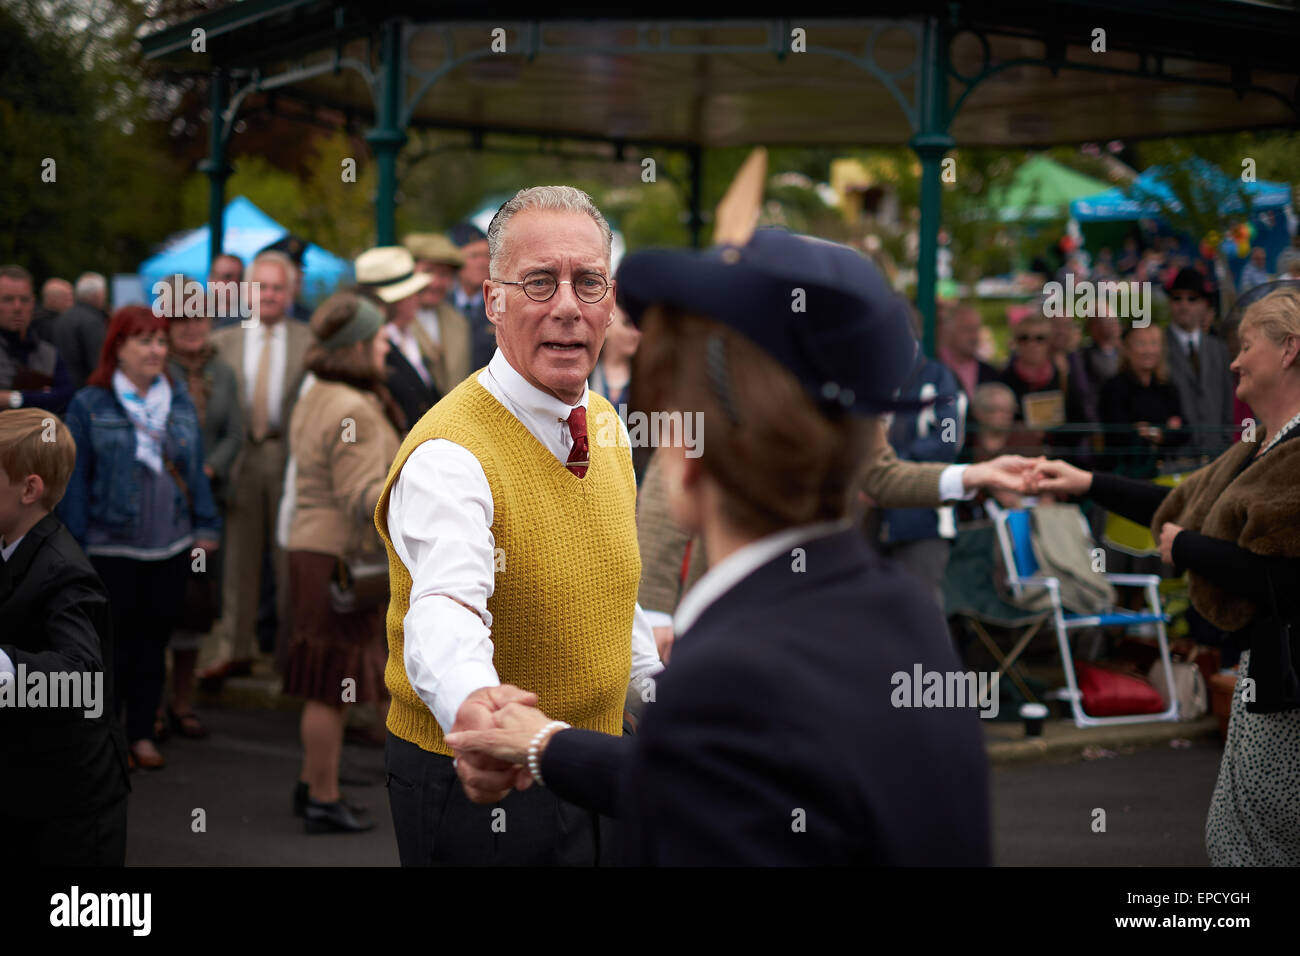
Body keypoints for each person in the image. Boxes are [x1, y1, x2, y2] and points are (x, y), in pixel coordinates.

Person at [444, 224, 992, 865]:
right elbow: (718, 782)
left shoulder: (730, 673)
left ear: (687, 460)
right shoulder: (903, 611)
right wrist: (547, 746)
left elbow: (708, 773)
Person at [374, 186, 664, 866]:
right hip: (486, 782)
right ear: (492, 301)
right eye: (539, 282)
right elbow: (444, 609)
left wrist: (667, 706)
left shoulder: (606, 421)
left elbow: (610, 599)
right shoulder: (451, 452)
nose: (568, 305)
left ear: (611, 301)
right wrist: (477, 713)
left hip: (594, 764)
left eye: (588, 282)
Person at [1031, 287, 1300, 866]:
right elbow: (1181, 505)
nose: (1233, 361)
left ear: (1288, 351)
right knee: (1238, 840)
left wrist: (1192, 548)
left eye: (1246, 346)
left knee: (1249, 845)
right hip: (1265, 668)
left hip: (1289, 678)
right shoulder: (1257, 445)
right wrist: (1086, 483)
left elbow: (1286, 578)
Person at [58, 306, 221, 770]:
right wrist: (75, 545)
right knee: (109, 648)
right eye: (143, 340)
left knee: (154, 644)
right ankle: (105, 736)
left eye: (160, 341)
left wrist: (205, 528)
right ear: (118, 348)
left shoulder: (178, 398)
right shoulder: (91, 403)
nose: (156, 350)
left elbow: (195, 469)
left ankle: (141, 732)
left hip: (168, 545)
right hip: (108, 549)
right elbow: (74, 479)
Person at [282, 292, 402, 834]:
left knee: (323, 681)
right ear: (355, 346)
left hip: (313, 549)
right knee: (332, 685)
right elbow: (360, 496)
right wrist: (415, 484)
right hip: (338, 559)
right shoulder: (353, 406)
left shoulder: (319, 392)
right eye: (379, 338)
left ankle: (313, 784)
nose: (387, 346)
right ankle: (324, 798)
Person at [0, 409, 130, 866]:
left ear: (29, 489)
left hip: (71, 803)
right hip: (25, 782)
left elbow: (82, 678)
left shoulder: (65, 573)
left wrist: (5, 667)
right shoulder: (8, 541)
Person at [200, 252, 313, 683]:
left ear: (291, 293)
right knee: (239, 563)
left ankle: (290, 659)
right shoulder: (223, 341)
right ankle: (234, 649)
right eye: (262, 287)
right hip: (240, 458)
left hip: (288, 458)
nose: (269, 296)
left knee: (288, 563)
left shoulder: (308, 339)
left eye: (278, 288)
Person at [161, 294, 244, 738]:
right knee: (159, 603)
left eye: (200, 322)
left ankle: (182, 701)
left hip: (209, 498)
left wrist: (207, 470)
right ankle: (150, 706)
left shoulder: (223, 372)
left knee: (197, 601)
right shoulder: (159, 370)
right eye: (183, 324)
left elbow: (235, 431)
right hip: (164, 498)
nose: (193, 330)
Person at [356, 245, 435, 432]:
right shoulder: (373, 348)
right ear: (398, 301)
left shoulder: (410, 336)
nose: (418, 298)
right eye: (413, 292)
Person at [1097, 323, 1187, 479]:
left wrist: (1156, 434)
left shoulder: (1168, 387)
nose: (1148, 351)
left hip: (1164, 471)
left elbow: (1184, 429)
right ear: (1127, 349)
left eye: (1154, 344)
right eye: (1141, 344)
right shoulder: (1113, 388)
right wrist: (1163, 431)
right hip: (1125, 473)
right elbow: (1118, 433)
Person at [1165, 267, 1236, 461]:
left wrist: (1224, 443)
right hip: (1174, 458)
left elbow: (1228, 403)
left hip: (1216, 455)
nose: (1184, 305)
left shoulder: (1219, 349)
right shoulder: (1158, 347)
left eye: (1192, 299)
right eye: (1177, 298)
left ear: (1205, 304)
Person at [404, 233, 472, 398]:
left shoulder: (458, 322)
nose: (435, 283)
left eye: (444, 275)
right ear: (410, 271)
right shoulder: (395, 321)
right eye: (428, 272)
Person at [1, 264, 75, 414]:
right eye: (8, 299)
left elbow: (67, 397)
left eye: (24, 300)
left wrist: (14, 398)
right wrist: (42, 397)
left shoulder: (48, 353)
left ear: (33, 303)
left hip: (40, 436)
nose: (17, 307)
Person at [449, 222, 496, 369]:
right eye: (474, 256)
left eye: (487, 256)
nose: (482, 263)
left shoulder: (500, 303)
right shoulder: (442, 302)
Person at [52, 272, 109, 389]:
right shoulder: (93, 321)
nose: (105, 297)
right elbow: (98, 363)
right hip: (85, 388)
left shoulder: (63, 317)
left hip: (62, 386)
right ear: (98, 295)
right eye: (104, 293)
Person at [937, 302, 999, 399]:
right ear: (947, 331)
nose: (974, 336)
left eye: (976, 329)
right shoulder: (933, 365)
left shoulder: (990, 373)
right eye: (967, 329)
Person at [588, 303, 640, 409]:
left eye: (639, 326)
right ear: (606, 325)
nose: (636, 334)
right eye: (627, 324)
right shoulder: (584, 373)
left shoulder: (648, 378)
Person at [30, 277, 73, 345]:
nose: (72, 304)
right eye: (68, 300)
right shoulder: (51, 327)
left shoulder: (34, 318)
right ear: (54, 300)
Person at [208, 254, 245, 330]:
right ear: (211, 280)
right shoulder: (197, 319)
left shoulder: (254, 317)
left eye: (240, 277)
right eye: (228, 277)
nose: (235, 282)